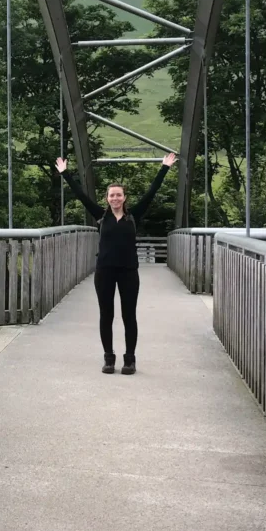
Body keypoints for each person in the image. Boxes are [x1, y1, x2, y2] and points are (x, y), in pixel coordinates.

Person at [54, 153, 177, 375]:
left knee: (129, 315)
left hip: (129, 272)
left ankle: (130, 360)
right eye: (112, 195)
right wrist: (65, 174)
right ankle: (109, 358)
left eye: (119, 195)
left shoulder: (133, 216)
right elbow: (81, 195)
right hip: (105, 272)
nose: (115, 198)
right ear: (106, 198)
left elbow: (151, 193)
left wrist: (164, 168)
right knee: (106, 315)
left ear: (124, 197)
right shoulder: (101, 216)